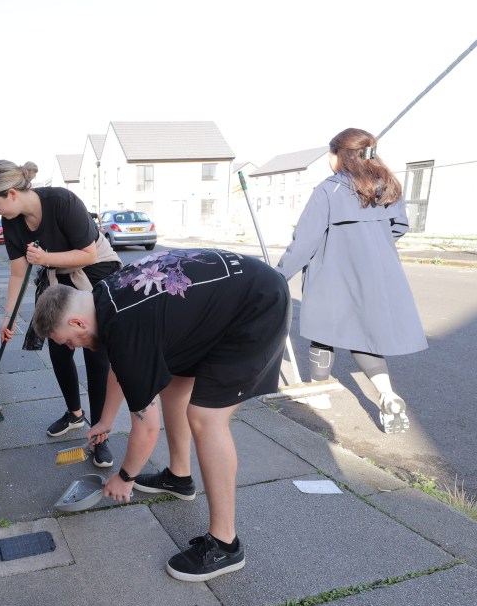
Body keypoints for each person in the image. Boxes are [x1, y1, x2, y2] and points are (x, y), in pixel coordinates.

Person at [31, 249, 290, 581]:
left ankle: (226, 545)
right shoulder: (102, 297)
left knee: (205, 418)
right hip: (230, 296)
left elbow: (147, 427)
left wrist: (124, 478)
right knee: (174, 385)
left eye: (67, 340)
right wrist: (106, 420)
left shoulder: (124, 326)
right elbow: (121, 369)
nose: (71, 348)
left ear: (77, 322)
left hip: (255, 306)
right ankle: (179, 478)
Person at [276, 128, 427, 434]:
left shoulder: (329, 190)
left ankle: (318, 393)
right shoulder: (386, 186)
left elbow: (305, 241)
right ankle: (387, 393)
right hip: (377, 272)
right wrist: (372, 244)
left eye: (330, 155)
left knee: (324, 327)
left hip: (333, 271)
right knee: (363, 334)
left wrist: (277, 276)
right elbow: (400, 226)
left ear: (340, 155)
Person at [0, 160, 121, 468]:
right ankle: (74, 415)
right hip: (58, 274)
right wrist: (8, 317)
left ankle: (101, 435)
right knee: (58, 348)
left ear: (12, 194)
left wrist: (45, 257)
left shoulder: (62, 202)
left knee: (97, 357)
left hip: (95, 272)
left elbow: (89, 253)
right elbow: (18, 272)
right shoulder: (12, 220)